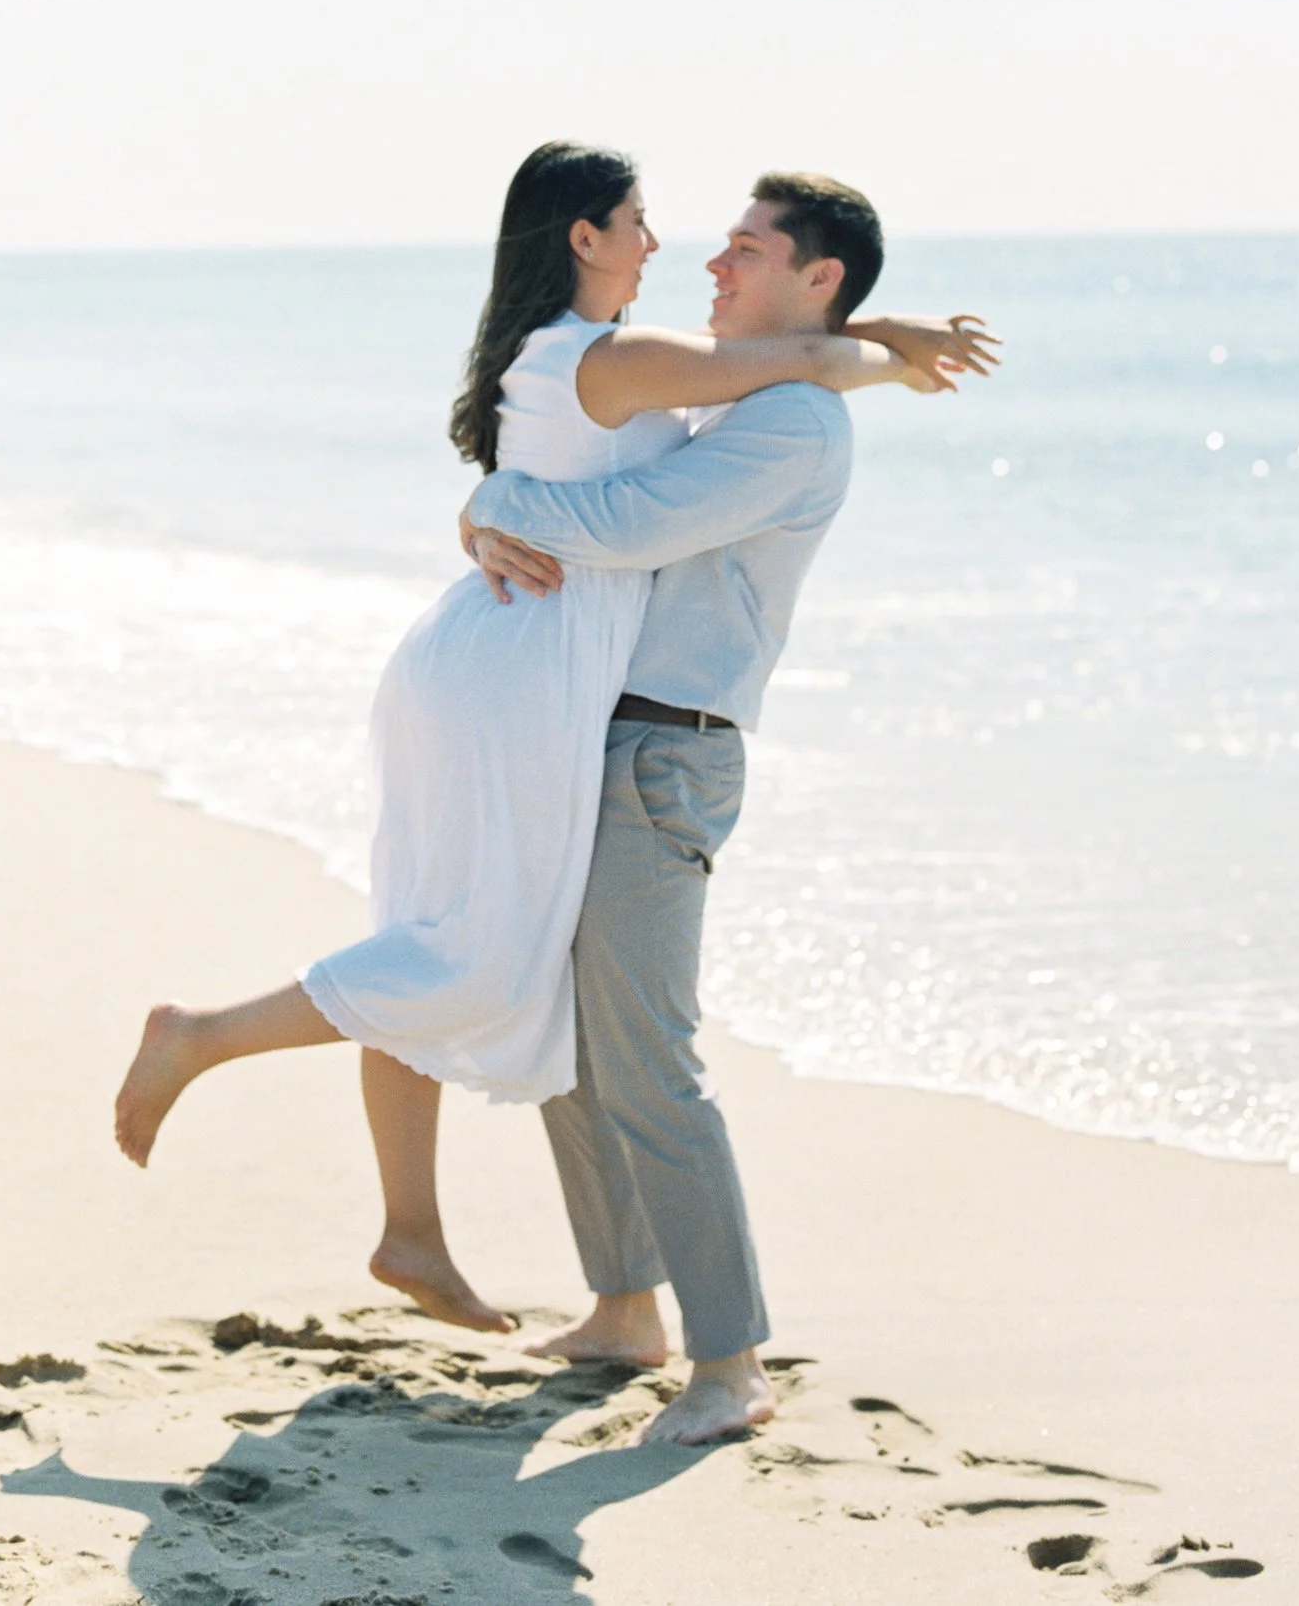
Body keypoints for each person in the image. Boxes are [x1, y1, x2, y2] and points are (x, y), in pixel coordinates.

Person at [112, 143, 988, 1341]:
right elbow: (775, 373)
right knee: (472, 959)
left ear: (815, 274)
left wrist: (881, 339)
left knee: (475, 961)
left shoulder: (714, 392)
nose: (688, 253)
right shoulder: (638, 362)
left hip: (553, 689)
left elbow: (741, 409)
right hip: (532, 680)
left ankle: (481, 1254)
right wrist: (493, 507)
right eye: (646, 222)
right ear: (584, 237)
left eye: (742, 246)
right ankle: (209, 1042)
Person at [462, 172, 997, 1443]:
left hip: (665, 752)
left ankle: (730, 1361)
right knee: (571, 1040)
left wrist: (489, 503)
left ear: (818, 278)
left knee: (650, 1061)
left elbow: (626, 524)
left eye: (747, 250)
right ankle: (623, 1308)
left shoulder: (793, 423)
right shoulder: (743, 393)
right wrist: (879, 339)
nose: (713, 263)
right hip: (599, 732)